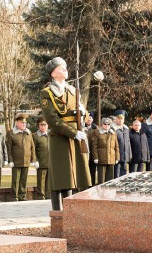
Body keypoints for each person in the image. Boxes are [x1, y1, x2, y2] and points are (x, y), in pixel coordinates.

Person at [40, 57, 92, 211]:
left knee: (77, 176)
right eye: (60, 68)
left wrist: (84, 114)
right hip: (60, 138)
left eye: (64, 67)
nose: (64, 69)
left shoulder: (73, 91)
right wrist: (73, 133)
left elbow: (85, 113)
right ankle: (58, 212)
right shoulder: (47, 92)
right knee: (61, 176)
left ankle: (74, 211)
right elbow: (52, 119)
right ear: (53, 74)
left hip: (78, 136)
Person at [6, 113, 36, 201]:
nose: (24, 124)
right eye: (22, 123)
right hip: (16, 161)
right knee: (15, 179)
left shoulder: (28, 133)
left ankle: (22, 195)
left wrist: (33, 159)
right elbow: (9, 148)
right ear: (17, 123)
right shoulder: (11, 134)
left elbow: (32, 147)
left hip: (26, 160)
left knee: (23, 179)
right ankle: (14, 196)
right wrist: (10, 160)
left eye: (25, 123)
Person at [89, 116, 119, 184]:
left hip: (111, 158)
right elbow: (94, 146)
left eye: (108, 124)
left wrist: (117, 157)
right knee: (101, 180)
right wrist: (95, 157)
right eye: (104, 124)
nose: (106, 126)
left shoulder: (113, 133)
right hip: (101, 158)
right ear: (102, 124)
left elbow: (116, 146)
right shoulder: (97, 133)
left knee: (110, 180)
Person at [33, 117, 51, 199]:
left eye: (45, 125)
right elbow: (33, 149)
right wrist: (35, 160)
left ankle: (48, 195)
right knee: (41, 181)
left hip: (50, 162)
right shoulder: (35, 136)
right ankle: (41, 195)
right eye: (41, 125)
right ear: (38, 126)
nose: (43, 127)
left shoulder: (51, 135)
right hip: (41, 162)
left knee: (49, 181)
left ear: (47, 125)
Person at [112, 110, 130, 177]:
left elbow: (128, 142)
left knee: (124, 174)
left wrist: (129, 154)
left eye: (122, 119)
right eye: (118, 118)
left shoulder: (126, 129)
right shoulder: (112, 129)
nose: (120, 120)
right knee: (116, 174)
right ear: (115, 119)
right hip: (116, 155)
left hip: (125, 155)